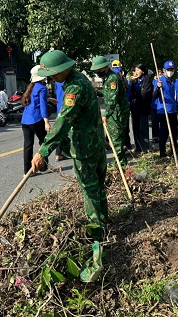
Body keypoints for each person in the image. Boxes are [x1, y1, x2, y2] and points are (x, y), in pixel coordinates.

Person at [31, 50, 107, 282]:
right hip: (96, 143)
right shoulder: (80, 78)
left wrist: (43, 151)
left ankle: (97, 234)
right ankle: (104, 221)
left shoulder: (73, 88)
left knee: (90, 189)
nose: (51, 78)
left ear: (64, 68)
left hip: (85, 148)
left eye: (53, 74)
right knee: (99, 185)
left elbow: (63, 121)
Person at [91, 56, 130, 167]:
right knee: (114, 139)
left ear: (105, 67)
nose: (97, 72)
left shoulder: (113, 79)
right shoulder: (107, 78)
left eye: (99, 70)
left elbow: (112, 99)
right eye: (96, 70)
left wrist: (105, 115)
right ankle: (119, 162)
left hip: (117, 114)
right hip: (113, 114)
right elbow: (106, 92)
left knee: (117, 140)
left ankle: (119, 164)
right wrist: (96, 92)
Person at [21, 65, 51, 176]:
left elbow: (35, 100)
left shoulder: (31, 87)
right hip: (36, 120)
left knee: (28, 145)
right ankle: (43, 166)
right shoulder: (43, 88)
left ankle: (27, 171)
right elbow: (43, 107)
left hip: (25, 120)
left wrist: (48, 98)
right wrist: (46, 122)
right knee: (44, 142)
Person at [153, 60, 178, 158]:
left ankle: (174, 152)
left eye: (172, 69)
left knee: (174, 132)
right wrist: (158, 88)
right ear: (164, 70)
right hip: (163, 111)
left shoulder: (172, 81)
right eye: (168, 69)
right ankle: (162, 154)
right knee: (164, 133)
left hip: (172, 110)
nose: (170, 71)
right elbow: (154, 96)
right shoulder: (159, 81)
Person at [129, 63, 153, 153]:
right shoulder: (134, 81)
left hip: (143, 107)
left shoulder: (147, 80)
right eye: (135, 70)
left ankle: (145, 147)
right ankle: (137, 146)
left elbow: (145, 93)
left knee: (143, 128)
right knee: (135, 128)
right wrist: (131, 83)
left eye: (138, 70)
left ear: (143, 71)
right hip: (134, 108)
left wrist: (136, 96)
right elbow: (129, 93)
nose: (136, 72)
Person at [111, 60, 132, 150]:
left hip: (117, 108)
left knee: (117, 130)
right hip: (125, 107)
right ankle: (127, 145)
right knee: (125, 129)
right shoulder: (124, 79)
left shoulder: (112, 78)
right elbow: (129, 93)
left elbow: (111, 95)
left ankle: (119, 148)